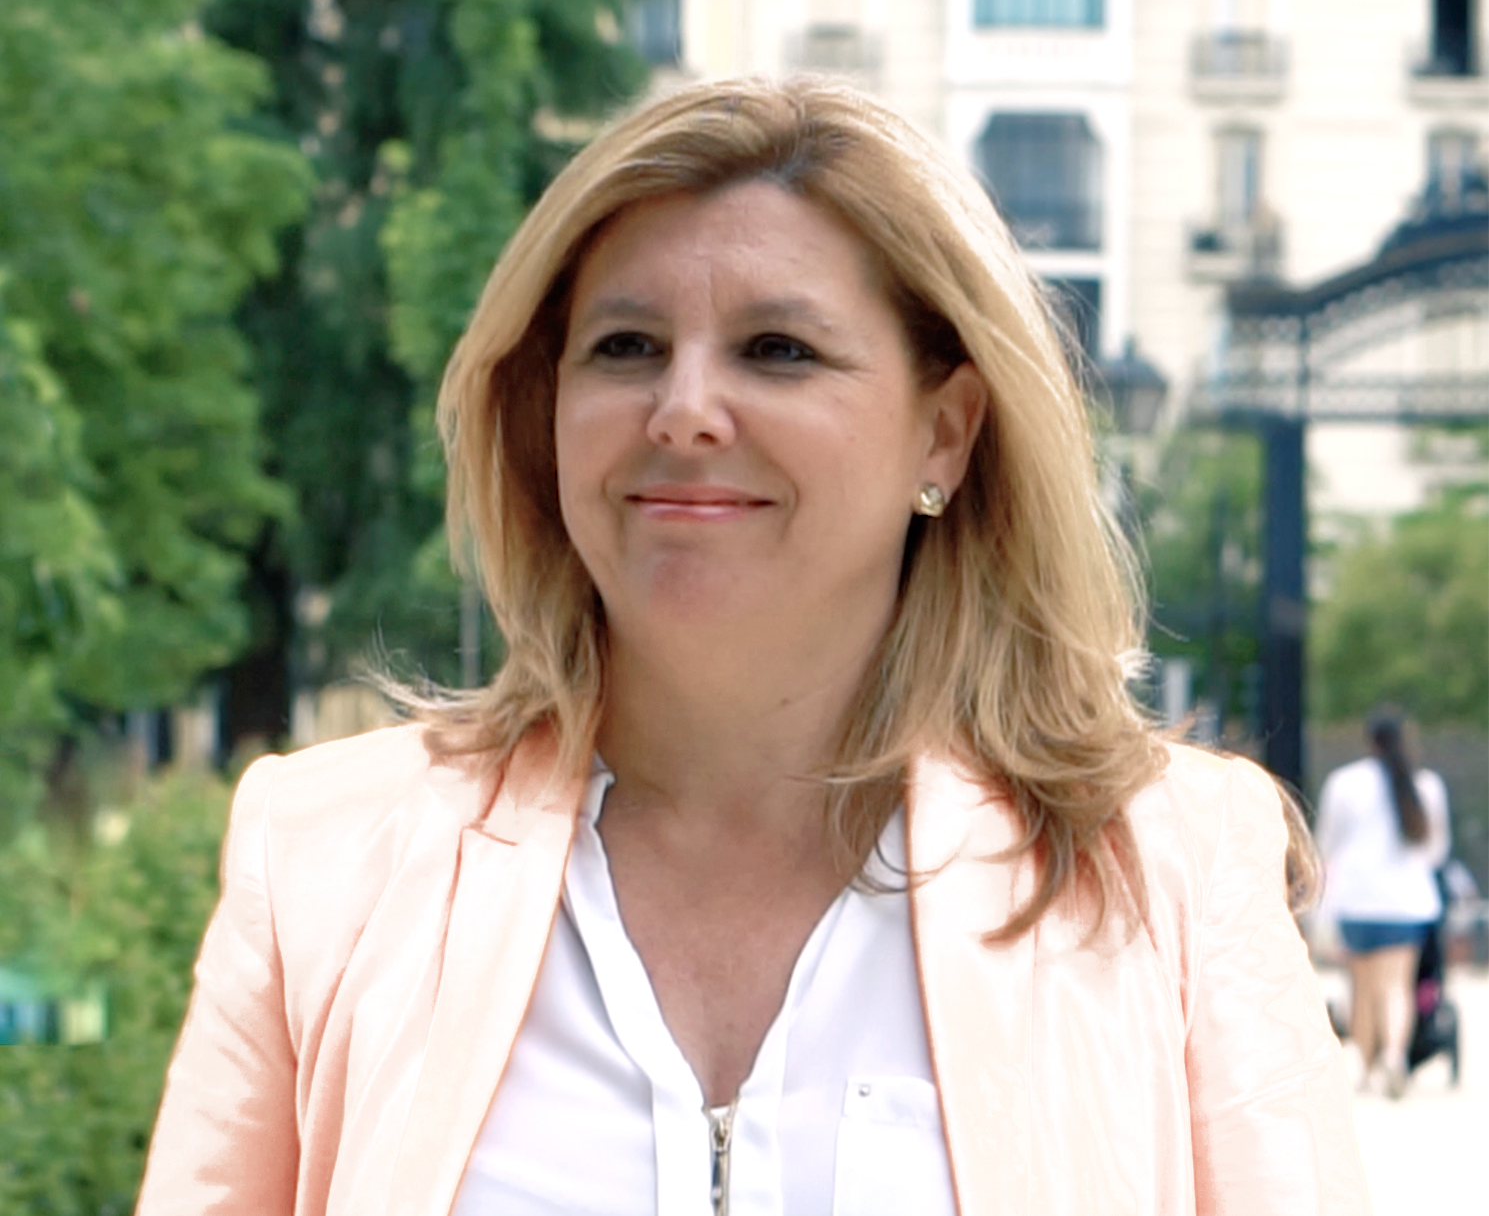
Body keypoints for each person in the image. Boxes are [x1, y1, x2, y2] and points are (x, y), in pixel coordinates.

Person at [136, 76, 1370, 1215]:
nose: (683, 410)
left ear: (944, 435)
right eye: (625, 348)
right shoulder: (326, 859)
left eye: (778, 351)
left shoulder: (1170, 872)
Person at [1316, 708, 1452, 1099]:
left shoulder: (1344, 783)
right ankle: (1394, 1055)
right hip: (1408, 904)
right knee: (1397, 986)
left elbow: (1327, 842)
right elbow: (1436, 849)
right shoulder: (1426, 785)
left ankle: (1363, 1063)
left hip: (1358, 901)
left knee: (1362, 987)